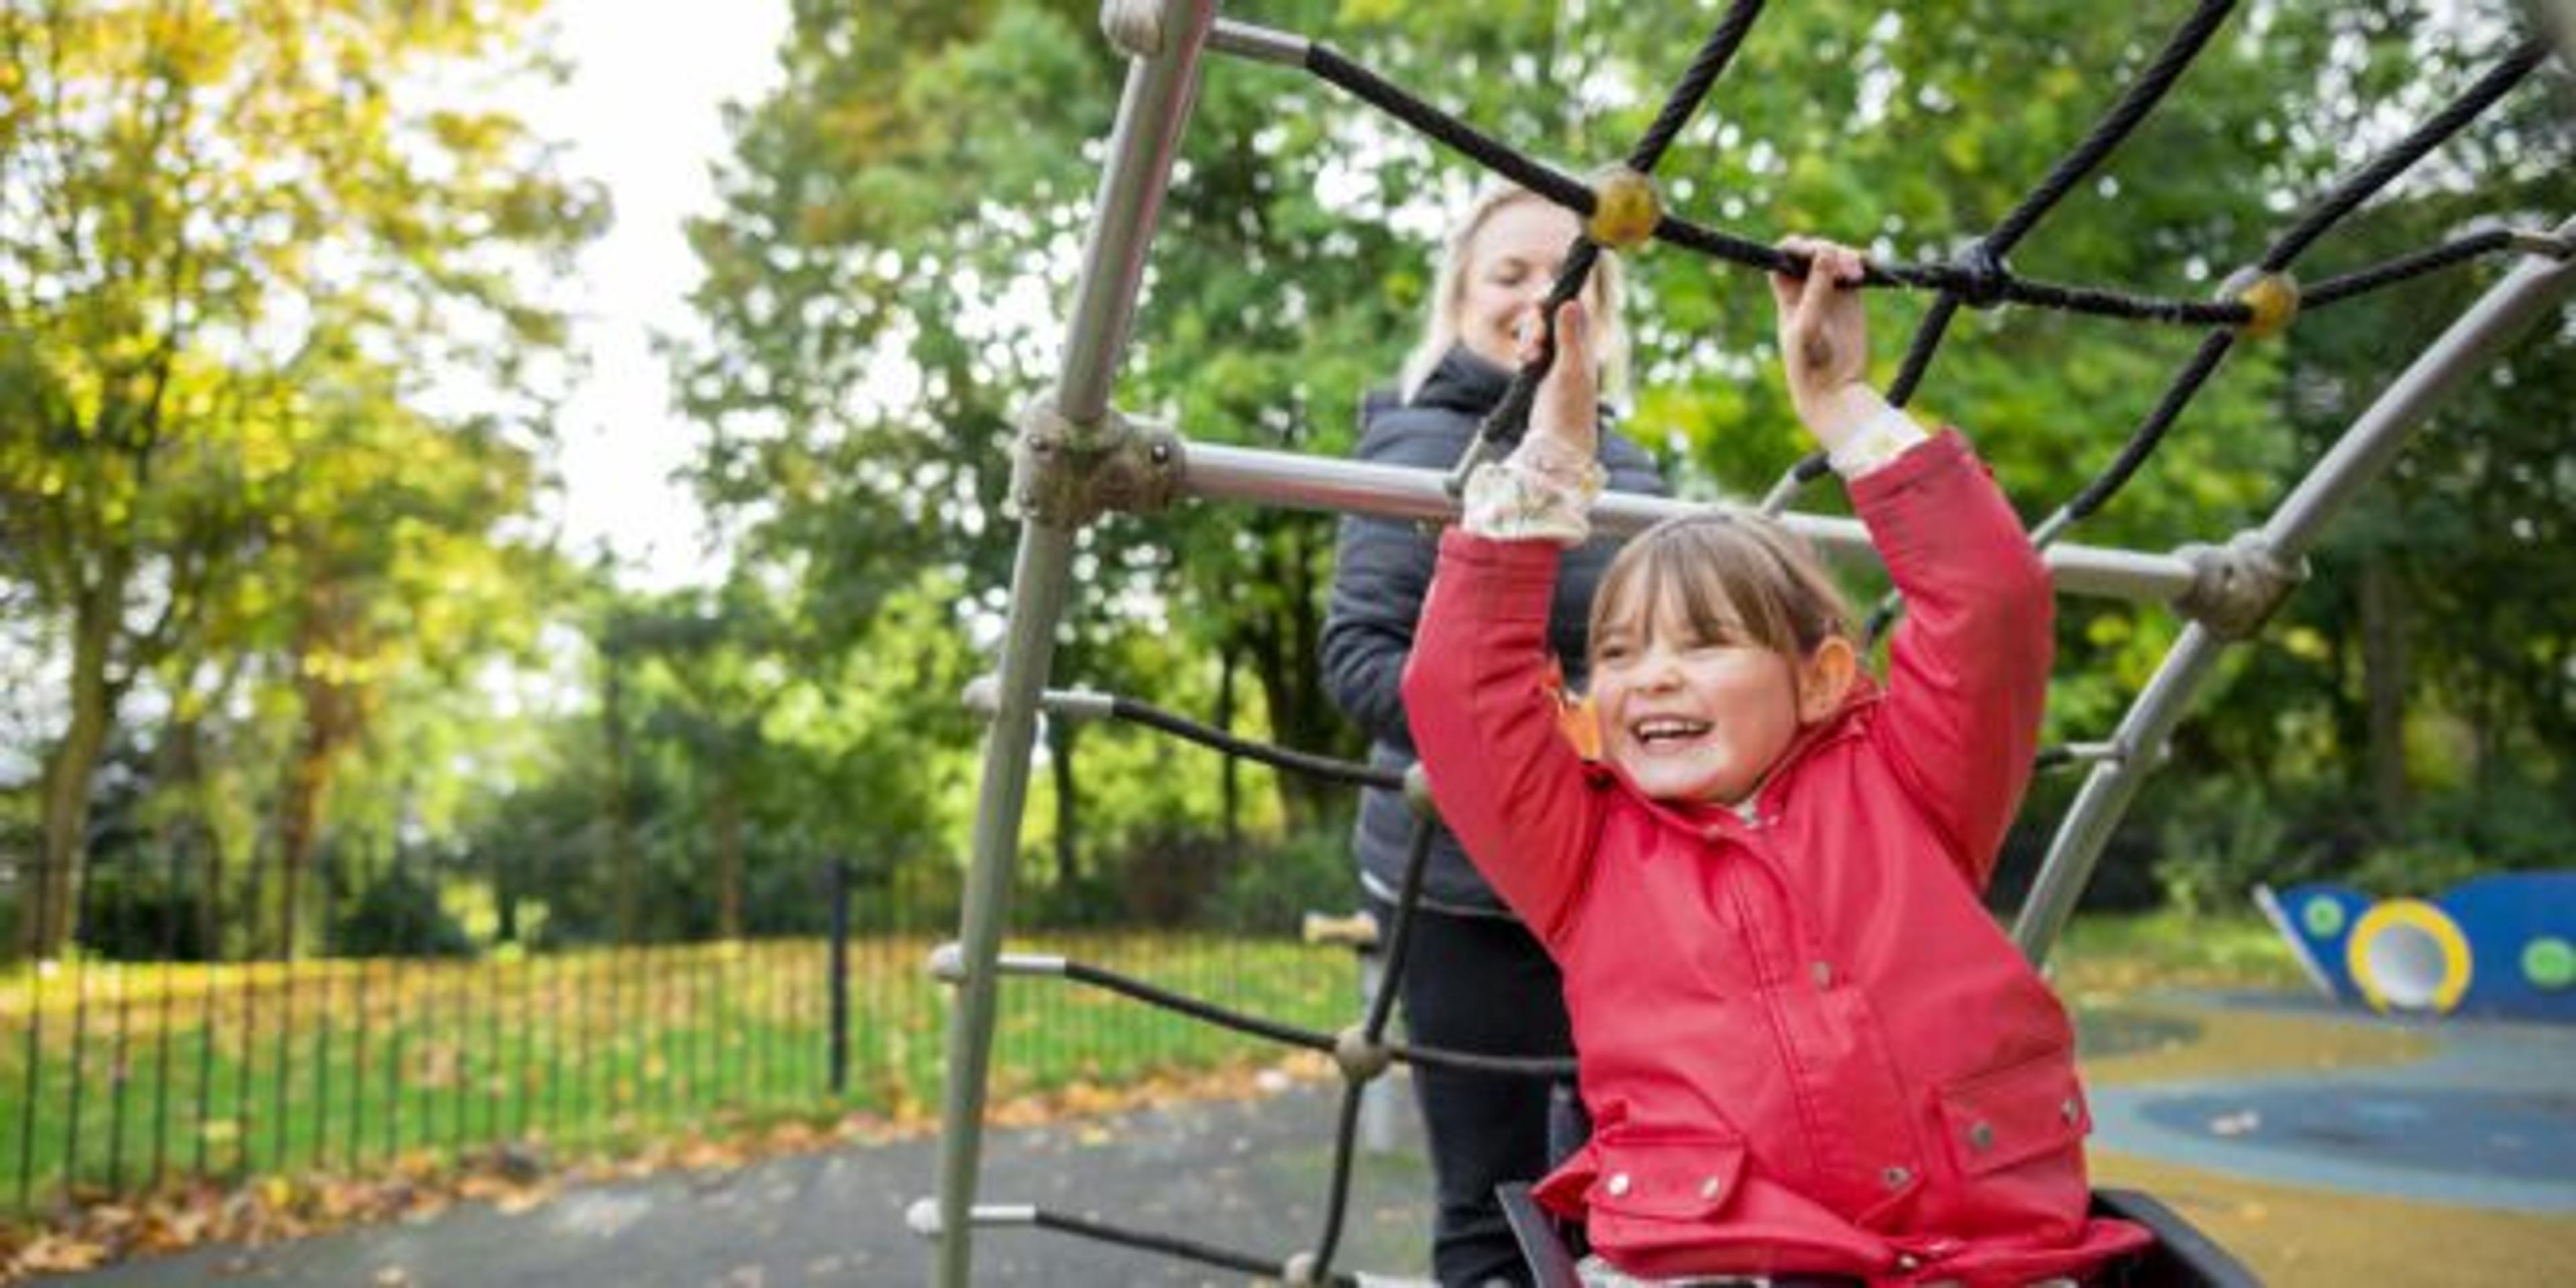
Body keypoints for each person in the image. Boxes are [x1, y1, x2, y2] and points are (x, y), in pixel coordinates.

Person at [1398, 239, 2153, 1287]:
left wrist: (1843, 405)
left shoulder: (1911, 786)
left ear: (1819, 677)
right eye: (1617, 655)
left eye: (1701, 645)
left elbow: (1991, 601)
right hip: (1718, 1260)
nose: (1649, 679)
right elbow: (1457, 693)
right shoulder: (1584, 851)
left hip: (1976, 1255)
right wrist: (1553, 456)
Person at [1320, 182, 1670, 1287]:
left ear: (1600, 314)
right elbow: (1362, 658)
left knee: (1626, 1177)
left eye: (1569, 277)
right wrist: (1540, 740)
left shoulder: (1639, 471)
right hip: (1462, 883)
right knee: (1493, 1196)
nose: (1538, 296)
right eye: (1509, 274)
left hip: (1611, 870)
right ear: (1462, 297)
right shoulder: (1420, 448)